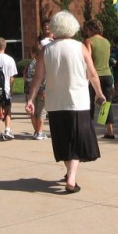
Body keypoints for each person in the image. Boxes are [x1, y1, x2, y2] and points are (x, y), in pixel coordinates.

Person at [24, 11, 105, 193]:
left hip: (55, 103)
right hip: (79, 102)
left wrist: (30, 99)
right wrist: (99, 93)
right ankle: (72, 177)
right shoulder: (80, 47)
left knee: (64, 141)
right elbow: (92, 73)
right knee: (76, 141)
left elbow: (37, 78)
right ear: (73, 27)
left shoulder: (46, 50)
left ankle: (69, 173)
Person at [83, 19, 114, 139]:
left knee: (89, 102)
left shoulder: (89, 41)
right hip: (107, 74)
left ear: (91, 29)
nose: (86, 32)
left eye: (87, 30)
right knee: (106, 103)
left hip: (95, 76)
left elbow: (88, 60)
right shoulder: (106, 42)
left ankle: (89, 131)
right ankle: (110, 130)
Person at [0, 38, 18, 142]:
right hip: (6, 88)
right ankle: (7, 129)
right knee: (8, 108)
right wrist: (12, 89)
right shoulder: (10, 59)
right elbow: (12, 77)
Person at [23, 42, 47, 140]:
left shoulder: (28, 64)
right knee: (41, 112)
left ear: (33, 53)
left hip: (29, 91)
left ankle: (36, 131)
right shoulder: (44, 63)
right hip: (42, 91)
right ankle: (40, 132)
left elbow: (24, 77)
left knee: (32, 112)